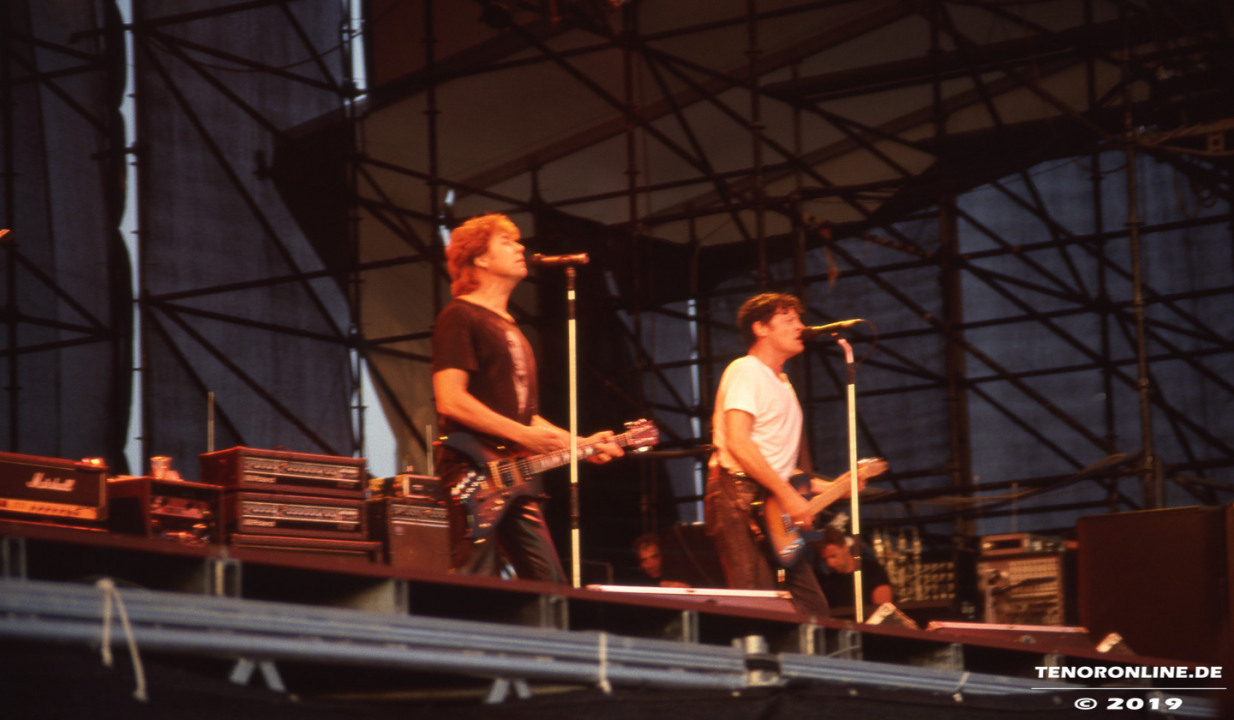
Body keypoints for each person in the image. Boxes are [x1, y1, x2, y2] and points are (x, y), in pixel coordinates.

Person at [431, 212, 622, 582]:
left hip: (513, 477)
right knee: (476, 578)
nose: (520, 248)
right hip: (472, 472)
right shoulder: (459, 316)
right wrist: (524, 436)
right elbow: (451, 399)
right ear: (480, 258)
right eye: (506, 242)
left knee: (550, 585)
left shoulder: (510, 326)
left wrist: (580, 444)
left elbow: (524, 417)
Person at [705, 292, 861, 620]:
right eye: (788, 319)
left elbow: (783, 468)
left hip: (772, 501)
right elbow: (738, 442)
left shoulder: (784, 383)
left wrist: (834, 488)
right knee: (757, 603)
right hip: (738, 497)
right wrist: (788, 494)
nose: (800, 326)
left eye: (799, 319)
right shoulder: (746, 370)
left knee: (812, 608)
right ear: (760, 328)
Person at [813, 526, 893, 616]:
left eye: (833, 556)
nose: (830, 563)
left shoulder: (871, 570)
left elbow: (883, 611)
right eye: (825, 559)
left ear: (845, 547)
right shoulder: (826, 581)